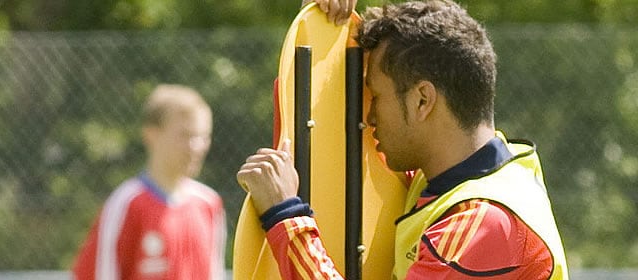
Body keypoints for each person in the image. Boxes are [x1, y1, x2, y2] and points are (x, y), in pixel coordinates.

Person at [236, 1, 569, 279]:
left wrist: (286, 217)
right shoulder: (459, 179)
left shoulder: (482, 223)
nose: (367, 118)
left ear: (423, 100)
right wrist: (321, 24)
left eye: (375, 97)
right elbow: (310, 124)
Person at [73, 84, 226, 280]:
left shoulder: (209, 204)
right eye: (185, 135)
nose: (195, 147)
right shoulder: (126, 203)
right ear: (151, 134)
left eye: (203, 136)